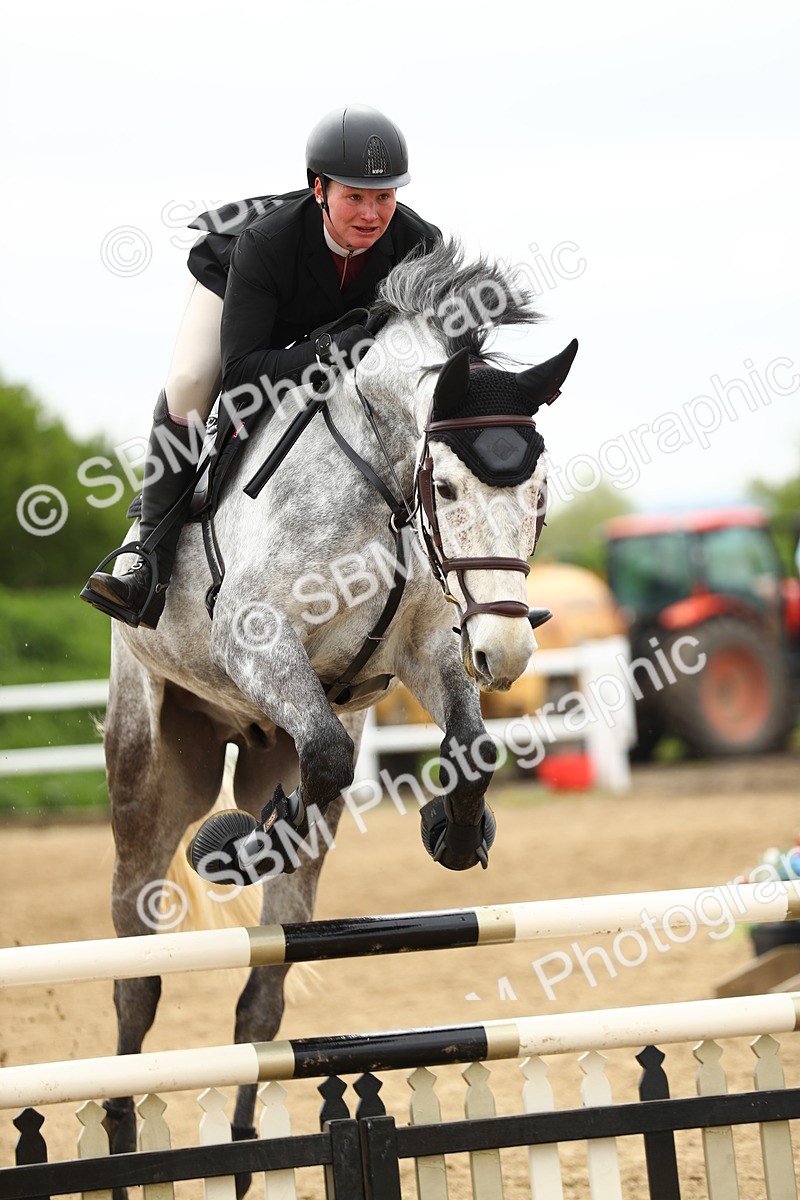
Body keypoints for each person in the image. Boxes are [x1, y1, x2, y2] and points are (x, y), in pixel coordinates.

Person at [81, 104, 441, 628]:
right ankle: (147, 567)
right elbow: (244, 372)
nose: (371, 214)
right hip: (236, 290)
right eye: (354, 197)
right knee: (188, 385)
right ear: (319, 190)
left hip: (331, 326)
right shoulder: (265, 242)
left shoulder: (417, 244)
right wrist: (324, 352)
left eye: (384, 197)